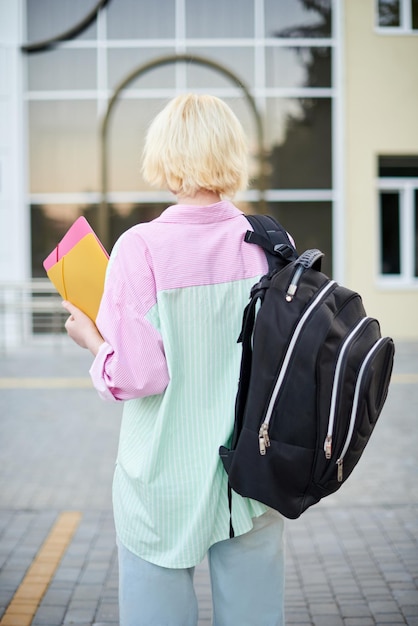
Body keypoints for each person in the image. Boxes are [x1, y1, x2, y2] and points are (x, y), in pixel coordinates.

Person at [62, 93, 286, 626]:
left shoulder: (140, 248)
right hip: (251, 476)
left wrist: (92, 341)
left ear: (164, 154)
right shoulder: (271, 241)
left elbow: (138, 375)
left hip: (163, 476)